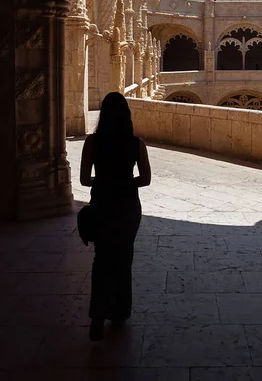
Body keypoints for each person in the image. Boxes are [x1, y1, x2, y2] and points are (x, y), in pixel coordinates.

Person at [79, 92, 151, 341]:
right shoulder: (135, 143)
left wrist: (104, 181)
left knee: (102, 261)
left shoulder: (92, 142)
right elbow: (145, 179)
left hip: (102, 203)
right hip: (128, 206)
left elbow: (84, 179)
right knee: (123, 259)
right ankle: (120, 311)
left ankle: (97, 317)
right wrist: (123, 182)